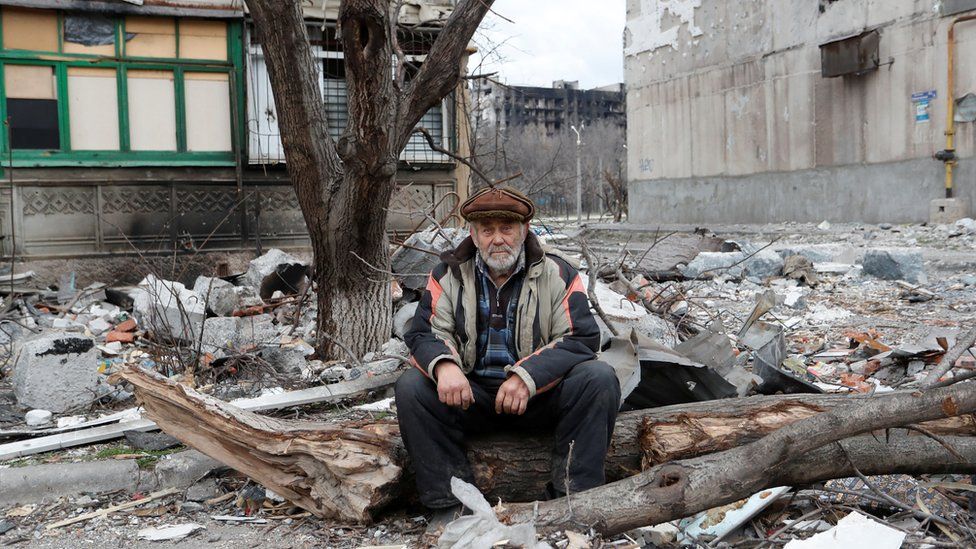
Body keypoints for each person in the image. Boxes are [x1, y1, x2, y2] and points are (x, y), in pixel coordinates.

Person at [395, 186, 621, 525]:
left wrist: (527, 376)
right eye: (487, 230)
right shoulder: (448, 273)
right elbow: (425, 332)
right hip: (471, 397)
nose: (497, 239)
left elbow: (580, 338)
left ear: (524, 230)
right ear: (473, 233)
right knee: (412, 386)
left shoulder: (557, 273)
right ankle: (450, 506)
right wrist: (445, 366)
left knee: (599, 378)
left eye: (506, 229)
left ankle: (573, 501)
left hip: (538, 397)